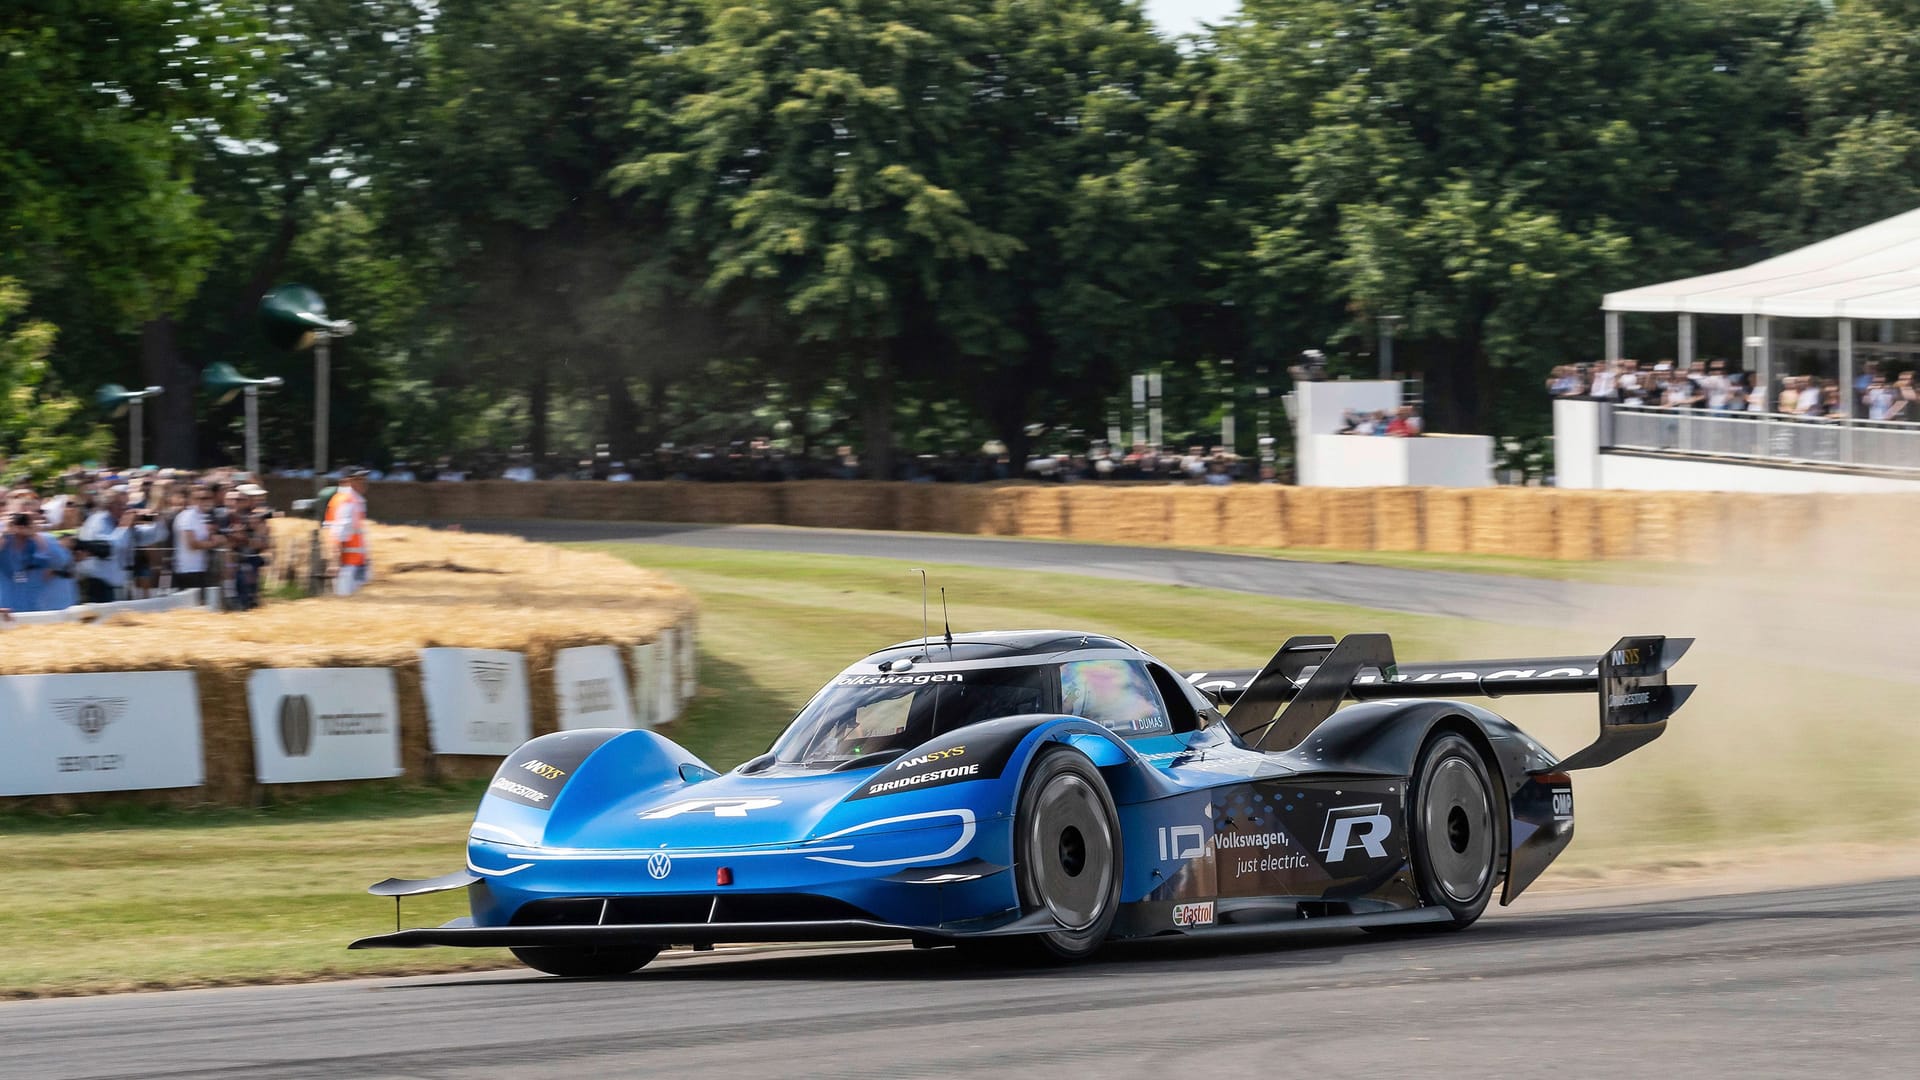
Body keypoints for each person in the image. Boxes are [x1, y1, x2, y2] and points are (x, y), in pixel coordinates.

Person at [0, 511, 70, 614]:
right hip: (5, 608)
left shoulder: (44, 539)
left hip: (34, 607)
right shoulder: (4, 540)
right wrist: (4, 534)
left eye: (27, 520)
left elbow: (60, 561)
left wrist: (35, 535)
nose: (22, 524)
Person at [325, 468, 370, 596]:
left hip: (355, 564)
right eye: (359, 479)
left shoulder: (356, 501)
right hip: (346, 566)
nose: (364, 483)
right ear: (349, 481)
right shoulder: (347, 502)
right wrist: (334, 562)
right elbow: (338, 533)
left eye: (364, 479)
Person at [170, 485, 220, 592]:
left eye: (208, 498)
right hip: (188, 570)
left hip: (200, 568)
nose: (206, 501)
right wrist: (214, 543)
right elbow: (192, 544)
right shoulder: (188, 516)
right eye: (201, 498)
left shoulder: (203, 516)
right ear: (192, 500)